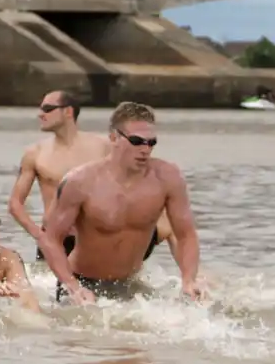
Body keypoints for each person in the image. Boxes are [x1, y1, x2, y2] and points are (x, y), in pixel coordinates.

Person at [35, 102, 204, 304]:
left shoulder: (168, 177)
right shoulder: (80, 181)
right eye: (136, 141)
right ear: (114, 137)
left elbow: (185, 234)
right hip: (83, 283)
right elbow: (50, 238)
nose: (145, 149)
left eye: (151, 143)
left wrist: (188, 280)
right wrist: (72, 286)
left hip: (129, 283)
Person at [8, 90, 109, 259]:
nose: (40, 114)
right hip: (54, 239)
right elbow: (15, 204)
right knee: (48, 285)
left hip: (94, 237)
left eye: (47, 109)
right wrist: (39, 236)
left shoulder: (103, 147)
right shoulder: (35, 153)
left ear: (68, 112)